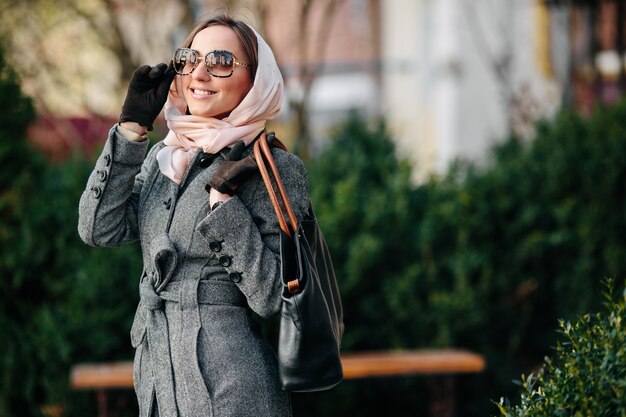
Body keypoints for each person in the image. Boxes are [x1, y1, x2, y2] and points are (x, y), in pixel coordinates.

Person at [78, 14, 310, 417]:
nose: (199, 73)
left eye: (220, 62)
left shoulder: (274, 167)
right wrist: (132, 131)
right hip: (158, 383)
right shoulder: (165, 158)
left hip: (234, 391)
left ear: (254, 80)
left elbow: (273, 296)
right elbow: (99, 228)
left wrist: (223, 203)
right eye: (190, 59)